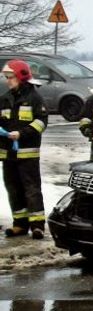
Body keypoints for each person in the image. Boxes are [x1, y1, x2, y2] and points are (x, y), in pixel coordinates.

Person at [0, 59, 48, 238]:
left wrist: (22, 133)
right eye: (6, 77)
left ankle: (37, 225)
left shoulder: (34, 98)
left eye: (11, 77)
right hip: (8, 154)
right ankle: (20, 224)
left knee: (31, 189)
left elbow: (41, 122)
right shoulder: (5, 98)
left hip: (28, 153)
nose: (8, 81)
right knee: (13, 189)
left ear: (21, 77)